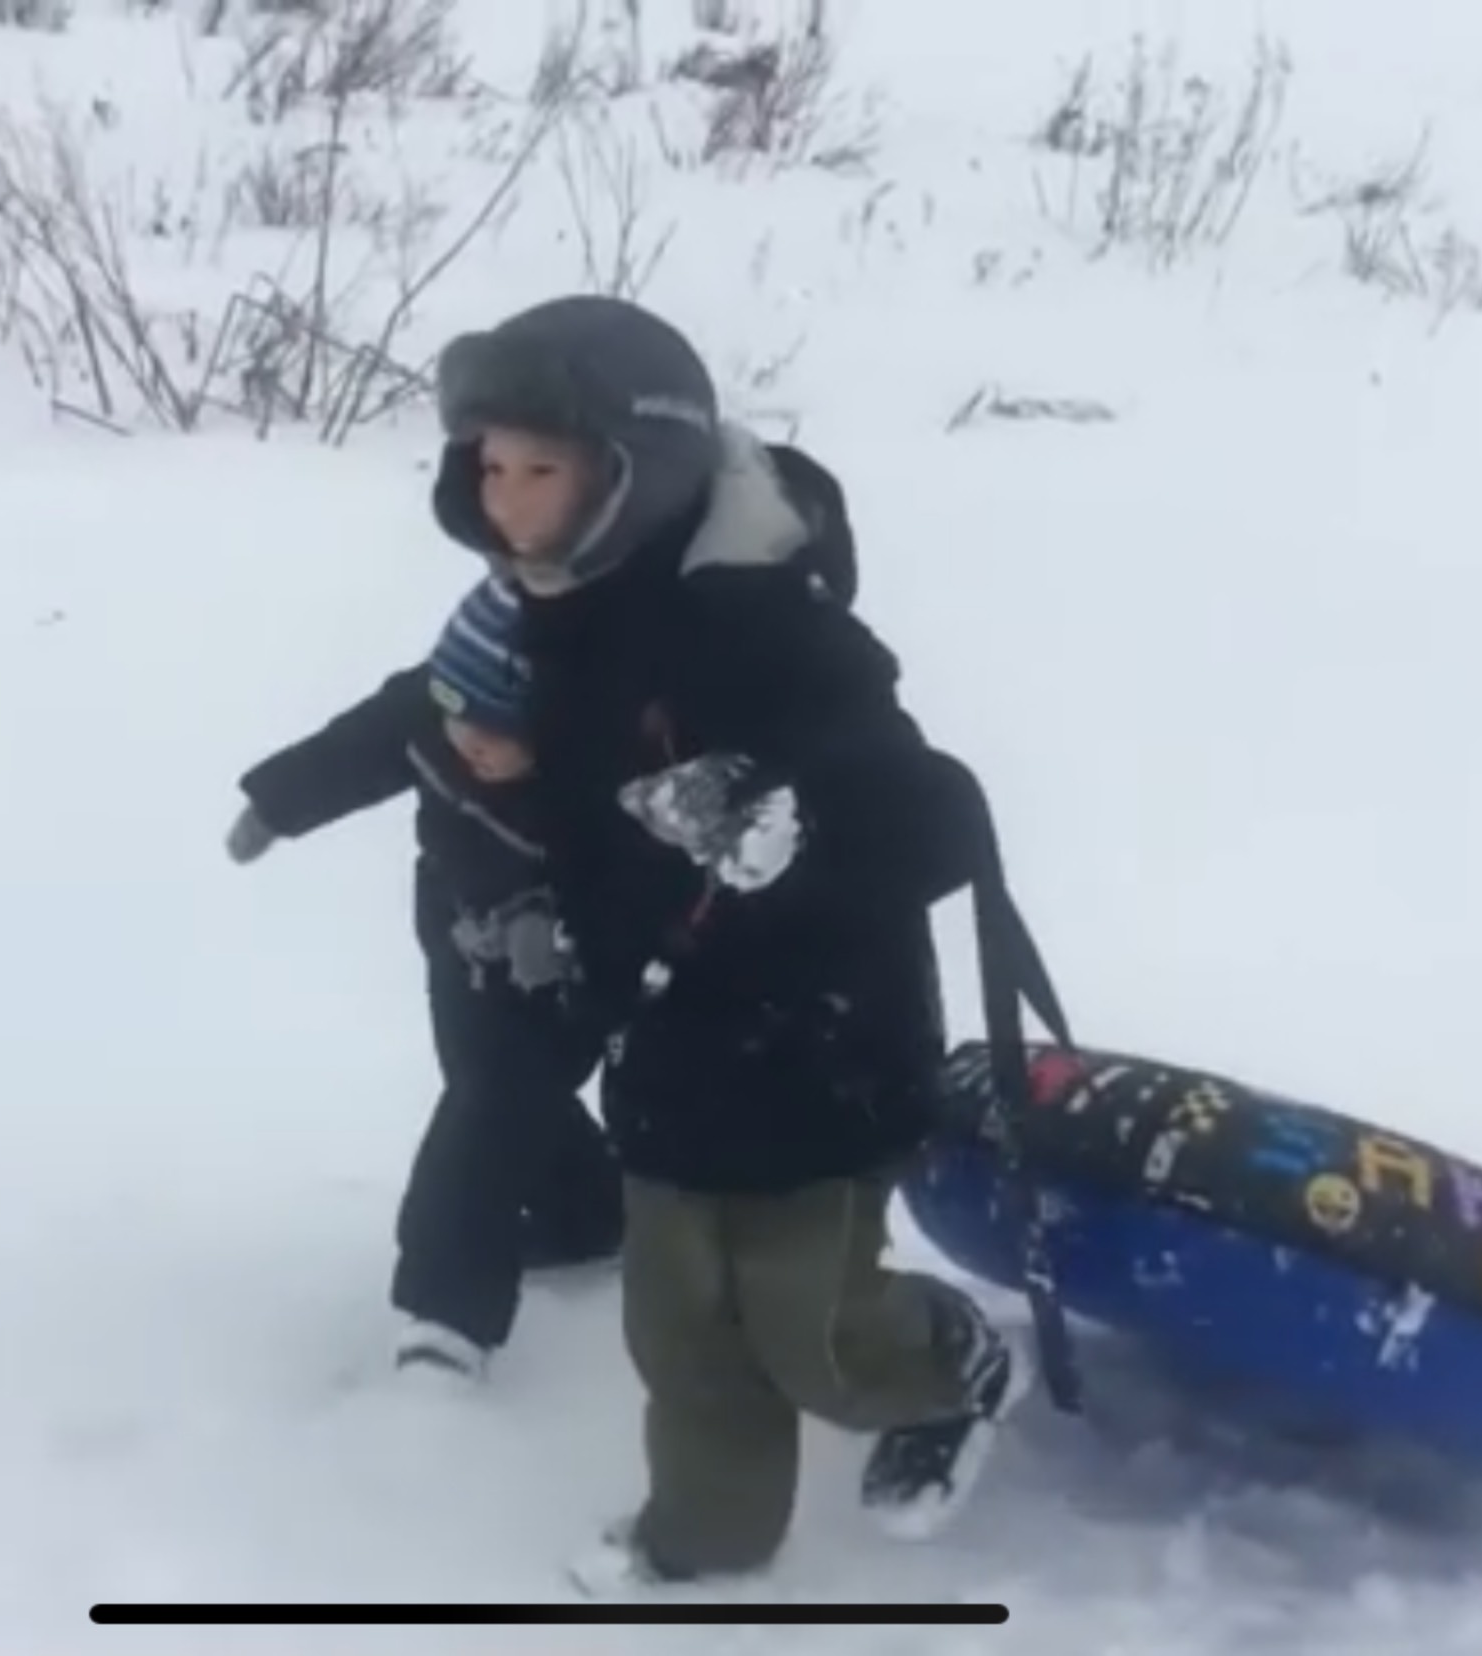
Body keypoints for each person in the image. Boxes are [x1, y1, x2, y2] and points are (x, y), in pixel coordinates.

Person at [421, 295, 1031, 1591]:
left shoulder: (762, 620)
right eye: (490, 467)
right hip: (666, 1039)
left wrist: (793, 816)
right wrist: (516, 875)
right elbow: (546, 785)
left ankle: (950, 1363)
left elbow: (927, 816)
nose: (505, 504)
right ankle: (702, 1544)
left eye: (541, 472)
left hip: (816, 1039)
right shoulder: (552, 617)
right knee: (680, 1328)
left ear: (636, 479)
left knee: (810, 1333)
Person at [227, 575, 625, 1381]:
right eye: (457, 712)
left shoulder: (596, 778)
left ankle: (447, 1312)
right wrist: (276, 806)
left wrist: (576, 933)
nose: (471, 739)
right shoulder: (432, 713)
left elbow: (642, 874)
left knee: (486, 1113)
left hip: (564, 971)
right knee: (493, 1089)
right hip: (457, 933)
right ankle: (588, 1217)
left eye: (500, 727)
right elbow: (356, 749)